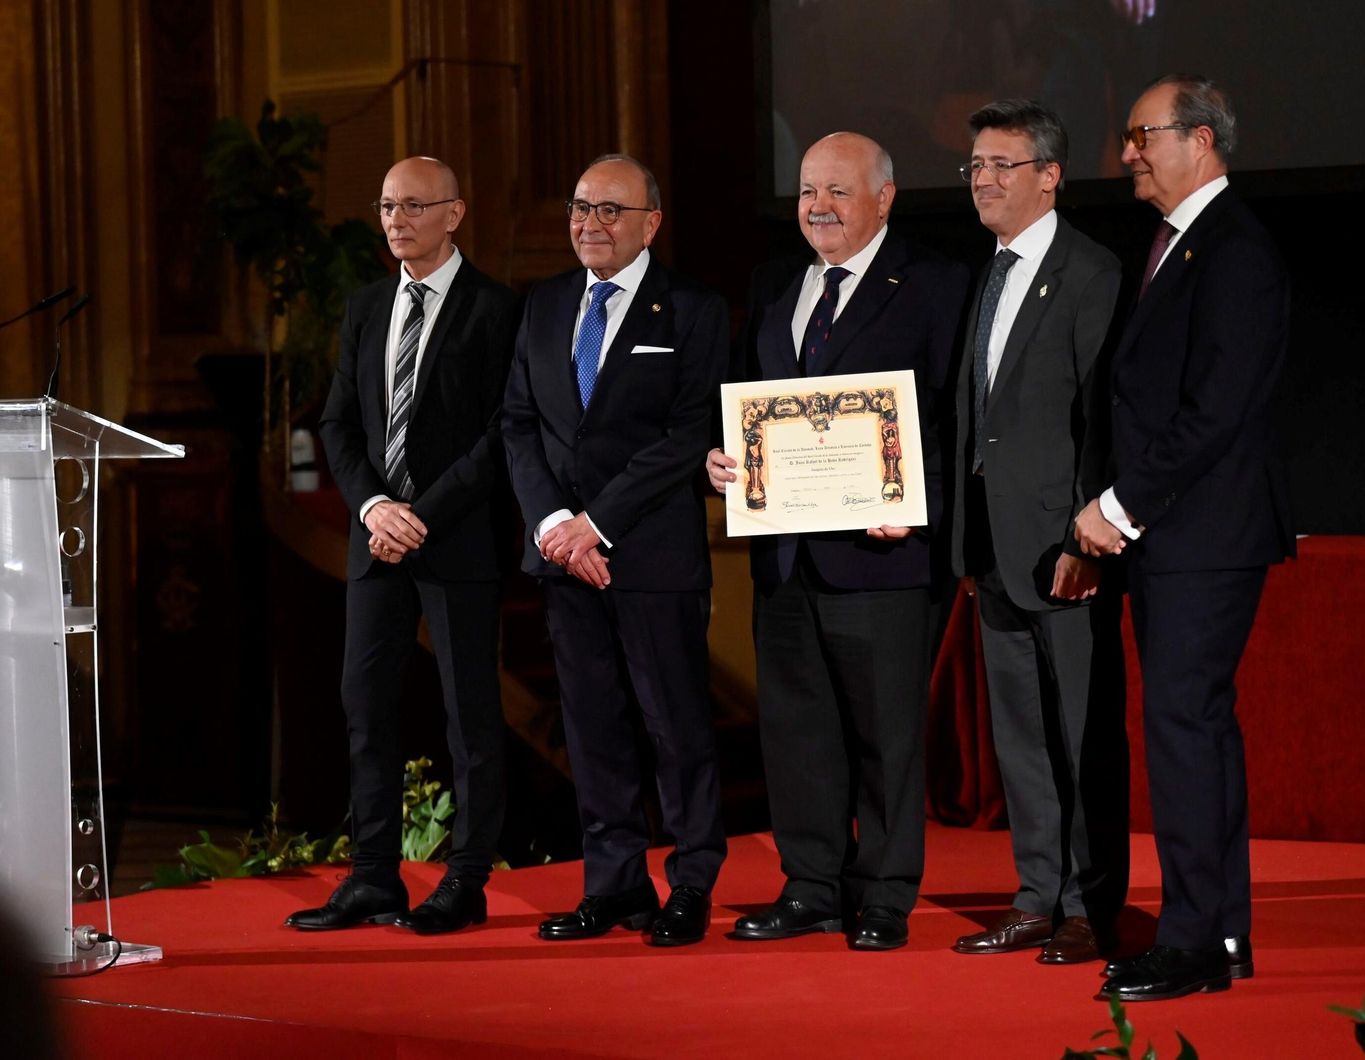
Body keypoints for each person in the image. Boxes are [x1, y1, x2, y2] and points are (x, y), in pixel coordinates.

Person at [706, 132, 967, 950]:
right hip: (787, 556)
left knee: (886, 733)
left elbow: (958, 422)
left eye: (838, 191)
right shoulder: (776, 284)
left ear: (884, 198)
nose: (817, 206)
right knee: (795, 731)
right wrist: (724, 459)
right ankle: (811, 885)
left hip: (884, 554)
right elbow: (755, 404)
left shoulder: (935, 285)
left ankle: (885, 893)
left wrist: (916, 501)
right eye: (808, 190)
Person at [1074, 74, 1294, 1001]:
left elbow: (1213, 413)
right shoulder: (1178, 243)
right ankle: (1222, 931)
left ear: (1199, 139)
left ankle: (1196, 941)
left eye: (1142, 135)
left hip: (1199, 536)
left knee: (1181, 729)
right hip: (1180, 537)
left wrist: (1116, 510)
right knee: (1195, 730)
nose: (1127, 152)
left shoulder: (1234, 249)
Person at [502, 154, 729, 947]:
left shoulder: (694, 310)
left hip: (652, 555)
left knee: (675, 727)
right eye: (579, 208)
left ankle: (691, 881)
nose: (589, 224)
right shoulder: (543, 304)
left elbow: (684, 437)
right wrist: (555, 529)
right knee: (591, 728)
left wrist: (595, 524)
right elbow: (520, 426)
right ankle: (614, 886)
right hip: (564, 560)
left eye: (609, 210)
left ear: (650, 224)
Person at [298, 156, 519, 935]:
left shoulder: (497, 308)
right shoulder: (365, 305)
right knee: (365, 704)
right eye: (387, 205)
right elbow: (338, 422)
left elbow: (503, 433)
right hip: (377, 538)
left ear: (454, 214)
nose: (395, 219)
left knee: (470, 713)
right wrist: (374, 506)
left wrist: (421, 511)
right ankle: (372, 877)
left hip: (456, 536)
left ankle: (466, 879)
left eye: (413, 206)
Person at [948, 100, 1128, 964]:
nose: (983, 180)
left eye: (1001, 165)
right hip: (992, 548)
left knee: (1083, 734)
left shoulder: (1091, 272)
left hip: (1067, 550)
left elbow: (1101, 419)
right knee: (1020, 736)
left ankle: (1094, 904)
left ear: (1050, 175)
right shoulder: (985, 271)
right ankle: (1035, 896)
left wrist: (1087, 539)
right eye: (975, 166)